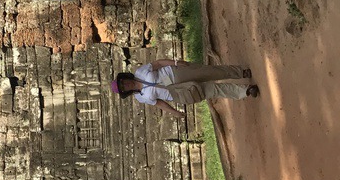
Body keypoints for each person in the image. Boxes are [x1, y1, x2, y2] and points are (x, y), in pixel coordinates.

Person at [111, 59, 258, 117]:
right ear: (125, 92)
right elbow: (159, 103)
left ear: (124, 77)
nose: (125, 85)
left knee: (210, 72)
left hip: (175, 74)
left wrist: (176, 62)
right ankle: (245, 90)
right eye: (123, 87)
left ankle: (240, 72)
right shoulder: (140, 97)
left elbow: (158, 63)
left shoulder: (140, 72)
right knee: (212, 90)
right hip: (177, 93)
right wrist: (175, 112)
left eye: (123, 82)